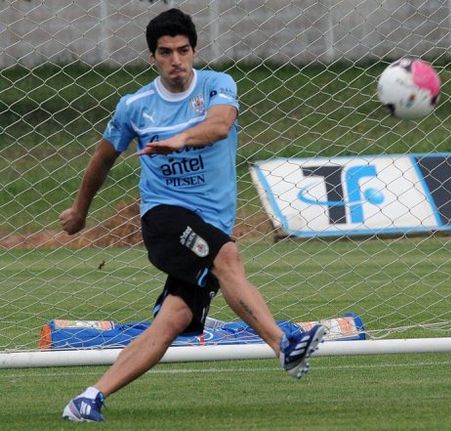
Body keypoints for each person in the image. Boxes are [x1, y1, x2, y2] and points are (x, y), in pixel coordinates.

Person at [60, 8, 326, 422]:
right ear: (152, 57)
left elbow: (220, 126)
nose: (176, 61)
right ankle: (283, 346)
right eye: (165, 53)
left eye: (183, 51)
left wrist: (180, 139)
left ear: (194, 50)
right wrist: (79, 211)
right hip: (163, 217)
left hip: (211, 223)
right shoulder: (135, 106)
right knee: (228, 258)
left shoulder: (219, 86)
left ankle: (88, 398)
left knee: (175, 317)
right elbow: (103, 157)